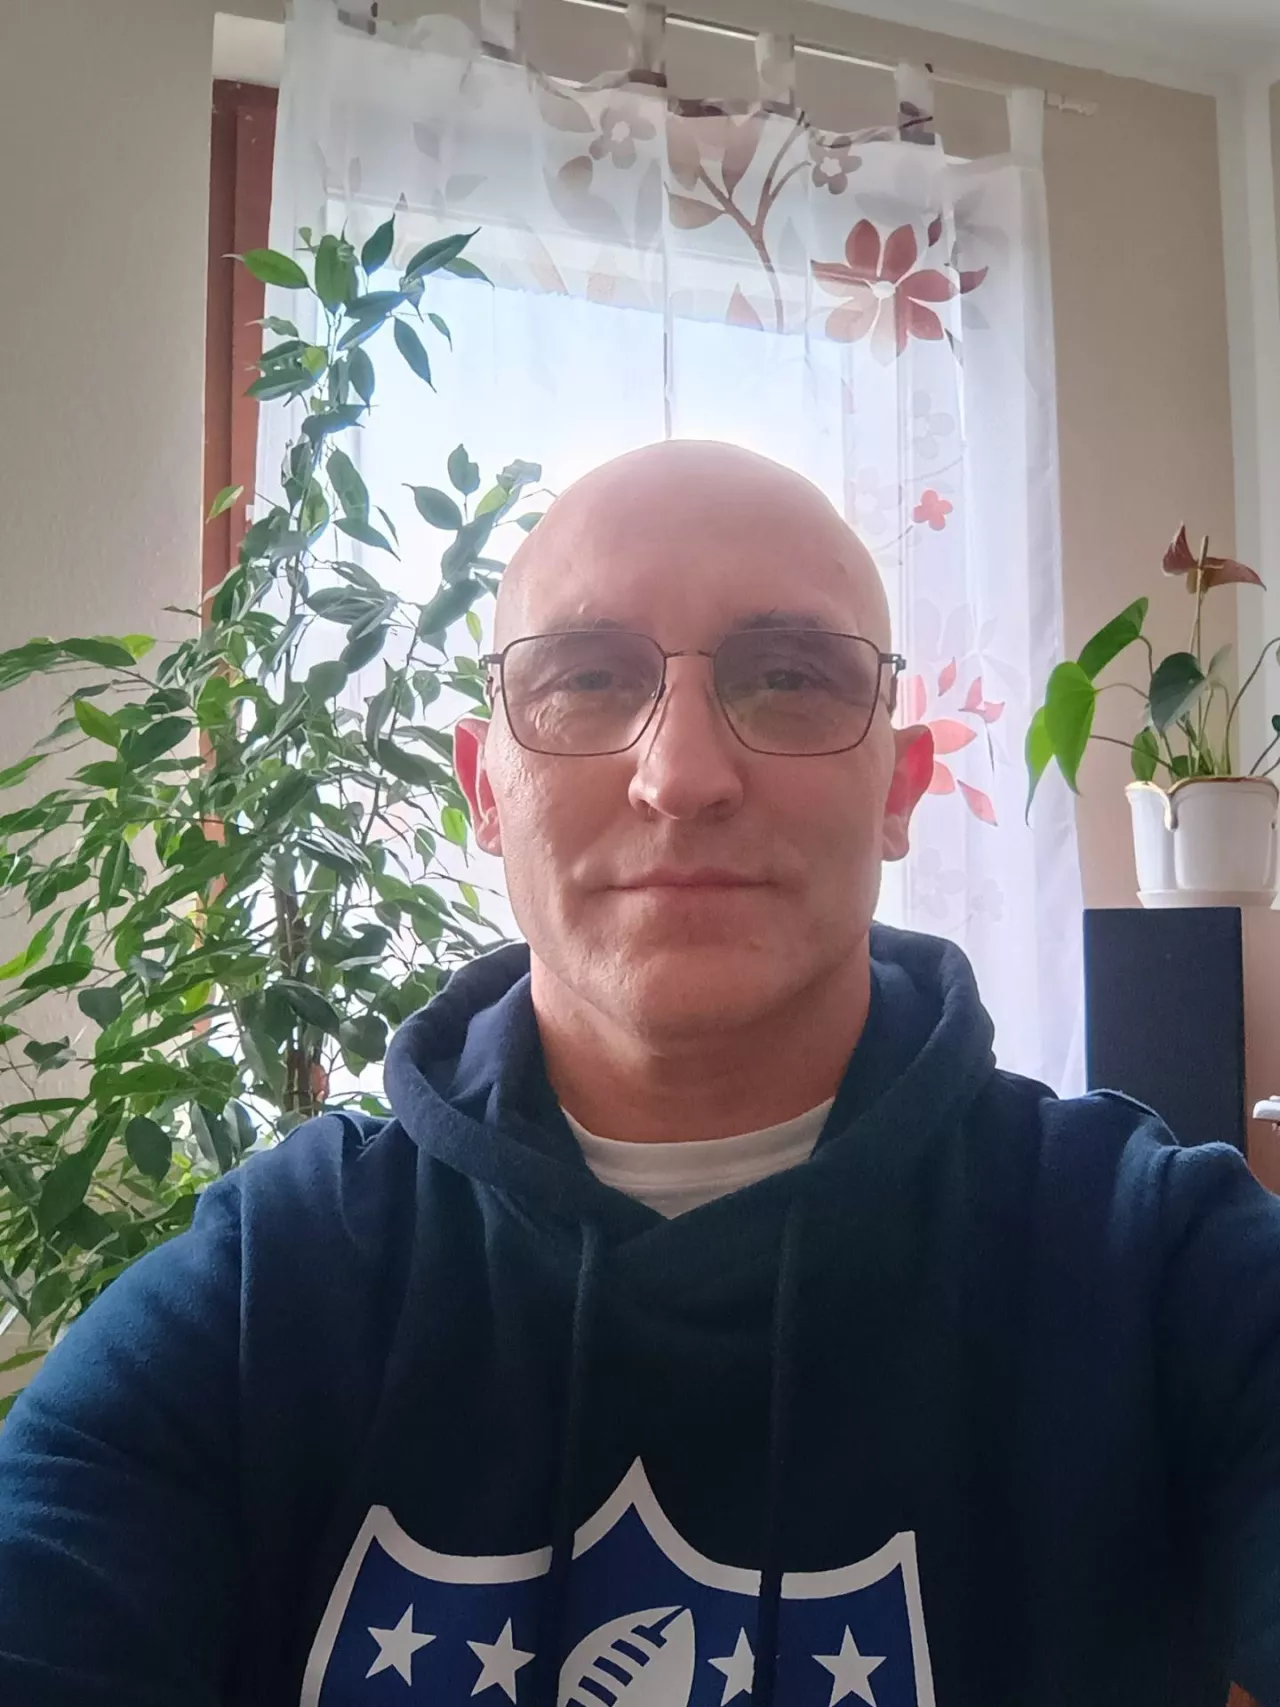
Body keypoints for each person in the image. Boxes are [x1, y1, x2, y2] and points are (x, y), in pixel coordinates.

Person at [0, 441, 1278, 1707]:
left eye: (789, 678)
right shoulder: (265, 1292)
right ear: (484, 789)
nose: (681, 778)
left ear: (898, 789)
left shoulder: (1154, 1264)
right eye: (586, 679)